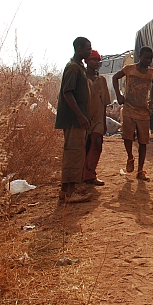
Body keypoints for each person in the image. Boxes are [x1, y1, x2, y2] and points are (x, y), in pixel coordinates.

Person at [54, 37, 93, 204]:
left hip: (76, 119)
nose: (89, 52)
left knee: (74, 151)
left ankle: (66, 190)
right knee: (74, 153)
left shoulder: (79, 68)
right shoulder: (73, 68)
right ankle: (71, 192)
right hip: (73, 119)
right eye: (87, 49)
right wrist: (80, 115)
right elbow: (67, 93)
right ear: (78, 48)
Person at [112, 46, 153, 181]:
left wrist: (152, 100)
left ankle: (140, 170)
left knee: (143, 141)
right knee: (128, 137)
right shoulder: (129, 69)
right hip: (129, 109)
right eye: (146, 58)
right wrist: (119, 95)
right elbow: (115, 78)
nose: (149, 61)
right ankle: (130, 157)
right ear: (139, 57)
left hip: (143, 111)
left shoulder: (152, 73)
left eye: (151, 58)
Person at [83, 50, 111, 186]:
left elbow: (105, 102)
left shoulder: (101, 80)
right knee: (84, 146)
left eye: (98, 60)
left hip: (98, 118)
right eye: (93, 60)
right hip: (84, 117)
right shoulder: (82, 79)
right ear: (86, 61)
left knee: (97, 144)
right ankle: (82, 174)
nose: (96, 63)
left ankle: (90, 174)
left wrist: (104, 122)